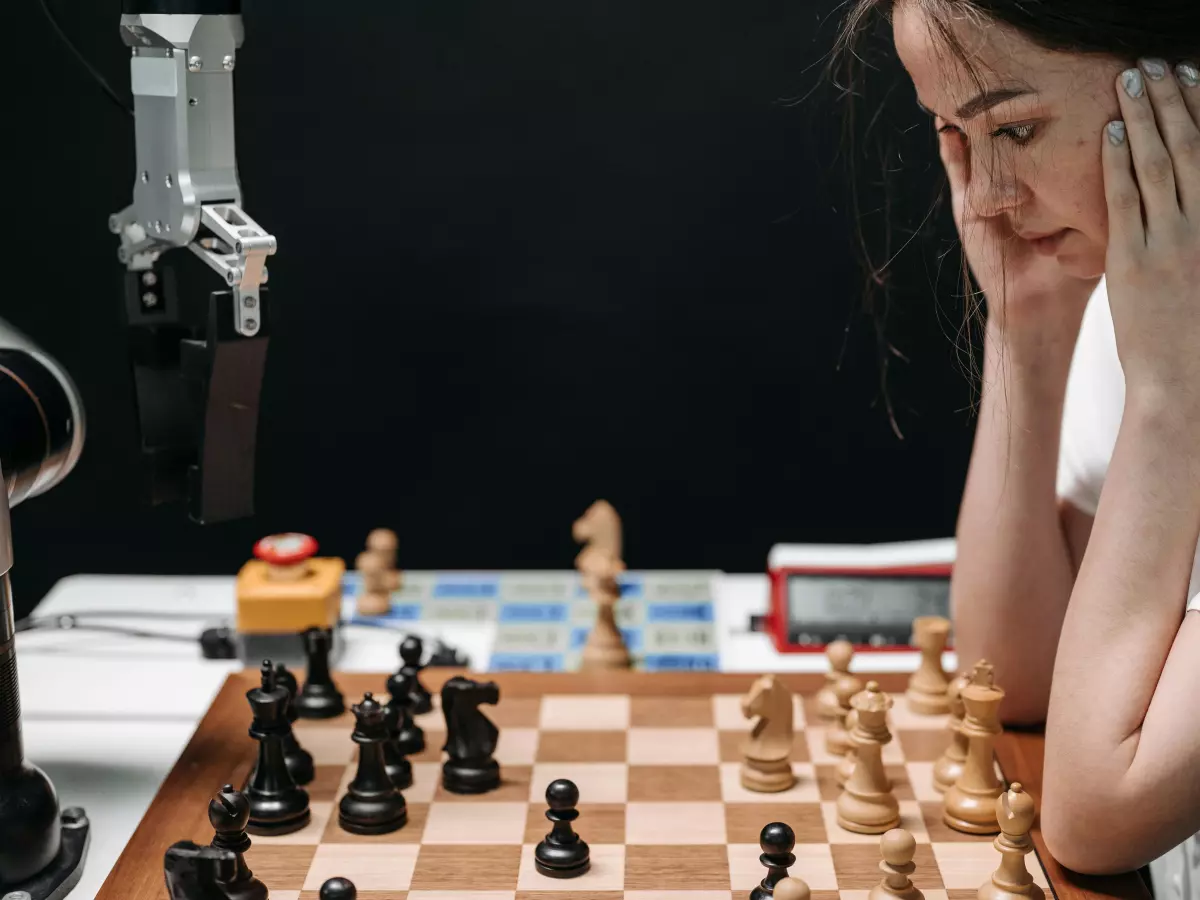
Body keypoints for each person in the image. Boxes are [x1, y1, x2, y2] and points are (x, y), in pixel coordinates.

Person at [834, 0, 1199, 877]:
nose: (989, 196)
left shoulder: (1168, 345)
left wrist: (1174, 397)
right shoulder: (1149, 303)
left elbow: (1094, 816)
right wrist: (1026, 331)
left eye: (1020, 128)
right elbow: (1013, 674)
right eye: (959, 136)